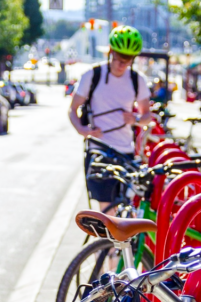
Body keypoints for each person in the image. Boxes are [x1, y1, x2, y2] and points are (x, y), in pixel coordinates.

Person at [68, 25, 151, 211]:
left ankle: (115, 240)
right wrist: (82, 131)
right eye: (118, 58)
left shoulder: (138, 80)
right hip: (100, 151)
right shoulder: (93, 75)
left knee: (126, 210)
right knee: (108, 212)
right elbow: (72, 109)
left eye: (127, 60)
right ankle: (107, 241)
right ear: (110, 51)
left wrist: (136, 119)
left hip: (126, 152)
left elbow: (147, 116)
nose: (122, 64)